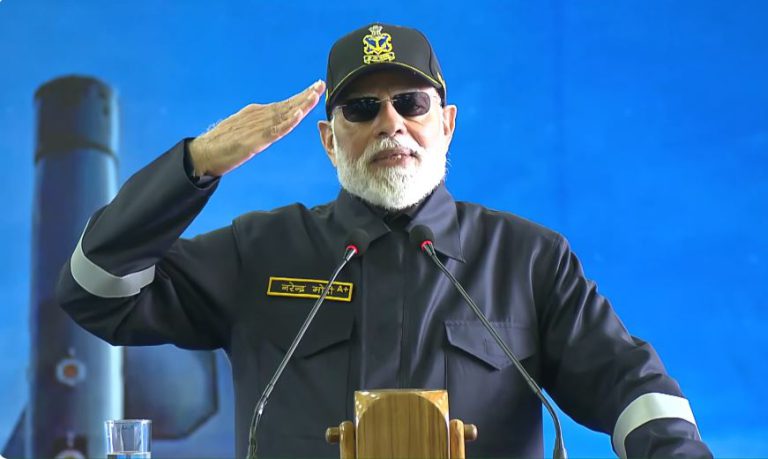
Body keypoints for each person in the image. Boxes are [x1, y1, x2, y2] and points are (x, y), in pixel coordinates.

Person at [57, 23, 712, 458]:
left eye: (411, 103)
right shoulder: (259, 250)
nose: (390, 123)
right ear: (329, 139)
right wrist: (196, 163)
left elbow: (632, 388)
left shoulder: (528, 259)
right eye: (362, 109)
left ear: (446, 124)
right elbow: (96, 292)